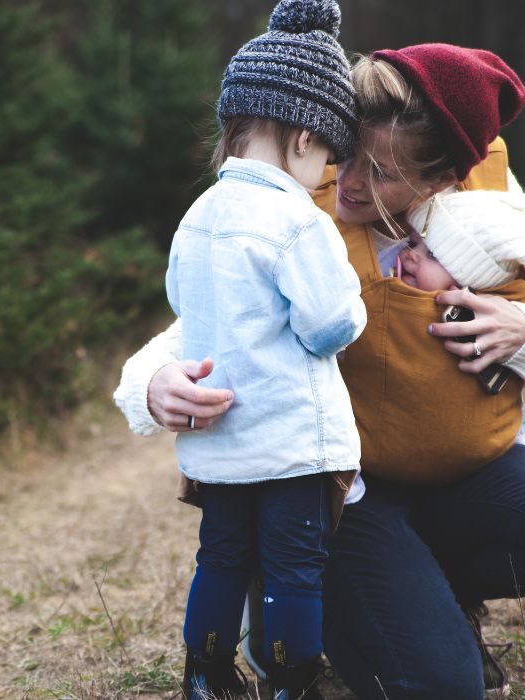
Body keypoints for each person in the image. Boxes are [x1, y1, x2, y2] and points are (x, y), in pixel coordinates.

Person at [114, 42, 525, 699]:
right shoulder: (295, 207)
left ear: (443, 176)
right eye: (347, 155)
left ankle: (429, 593)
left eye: (383, 173)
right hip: (342, 490)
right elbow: (201, 321)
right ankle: (298, 586)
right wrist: (151, 383)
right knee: (441, 688)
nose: (353, 183)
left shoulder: (483, 219)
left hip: (462, 474)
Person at [166, 2, 365, 698]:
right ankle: (294, 679)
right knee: (292, 568)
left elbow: (180, 302)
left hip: (220, 441)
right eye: (330, 160)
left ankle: (206, 674)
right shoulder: (294, 218)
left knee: (220, 557)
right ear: (307, 138)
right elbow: (328, 325)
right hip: (289, 439)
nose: (328, 177)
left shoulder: (198, 216)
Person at [342, 189, 525, 484]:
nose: (409, 255)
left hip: (490, 456)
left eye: (431, 255)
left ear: (468, 283)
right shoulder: (376, 271)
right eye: (413, 243)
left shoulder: (489, 310)